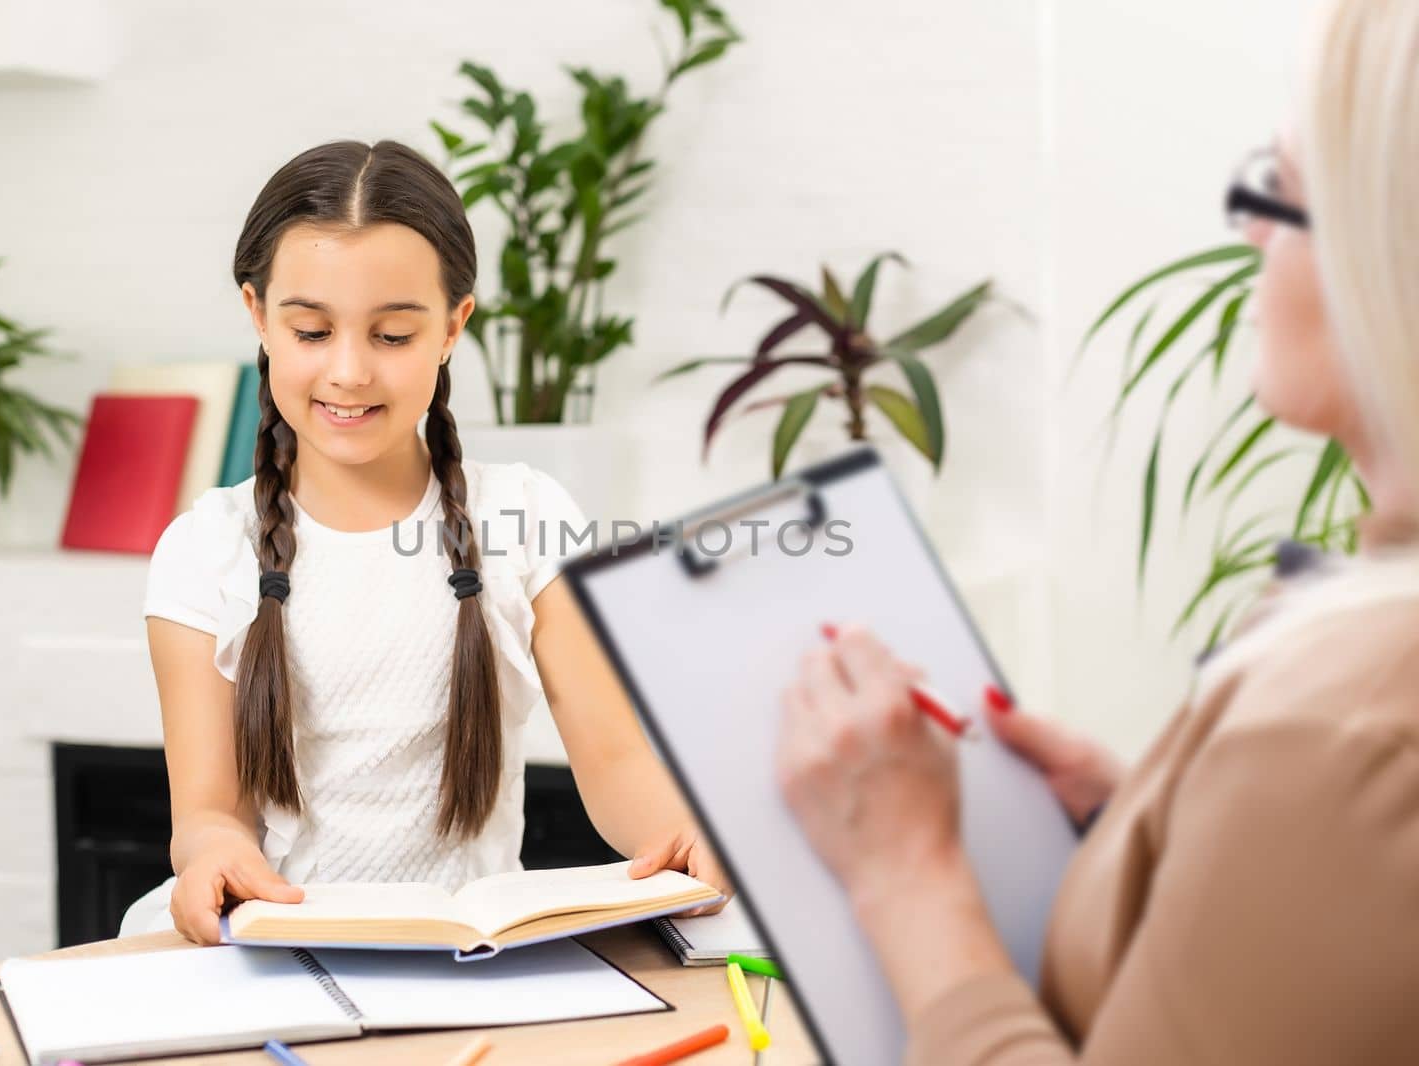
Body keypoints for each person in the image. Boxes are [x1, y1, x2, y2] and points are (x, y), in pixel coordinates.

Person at [778, 0, 1419, 1061]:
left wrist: (905, 874)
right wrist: (1161, 831)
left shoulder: (1345, 731)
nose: (1251, 229)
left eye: (1286, 192)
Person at [121, 140, 725, 943]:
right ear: (258, 317)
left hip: (472, 957)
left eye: (393, 337)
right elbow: (209, 811)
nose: (348, 372)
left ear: (452, 327)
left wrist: (689, 830)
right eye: (310, 331)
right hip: (274, 949)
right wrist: (213, 854)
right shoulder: (204, 548)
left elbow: (616, 765)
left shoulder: (526, 516)